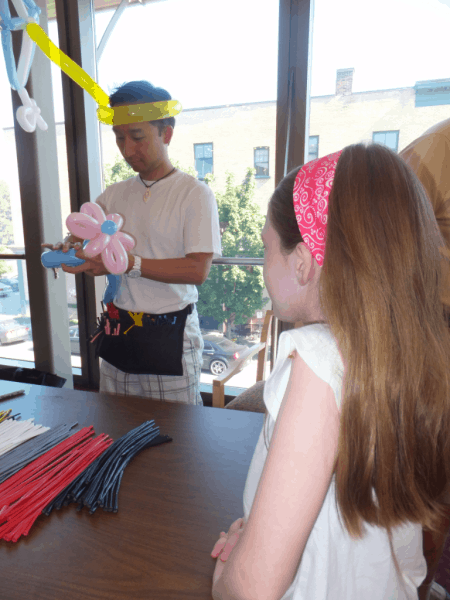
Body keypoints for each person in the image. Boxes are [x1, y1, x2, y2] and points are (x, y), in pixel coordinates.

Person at [209, 143, 450, 599]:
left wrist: (227, 570)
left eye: (266, 249)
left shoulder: (319, 360)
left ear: (301, 261)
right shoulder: (399, 353)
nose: (263, 268)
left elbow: (250, 591)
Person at [50, 81, 222, 404]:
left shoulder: (195, 194)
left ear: (166, 134)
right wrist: (70, 250)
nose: (127, 149)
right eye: (119, 137)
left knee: (175, 438)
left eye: (137, 137)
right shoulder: (115, 193)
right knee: (116, 431)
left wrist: (132, 264)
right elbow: (84, 231)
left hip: (171, 336)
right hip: (119, 332)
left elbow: (198, 269)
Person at [400, 121, 450, 600]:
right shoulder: (437, 149)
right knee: (429, 474)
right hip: (436, 334)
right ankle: (416, 581)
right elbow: (386, 243)